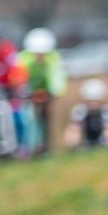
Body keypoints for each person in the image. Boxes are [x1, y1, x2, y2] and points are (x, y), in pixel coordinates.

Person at [16, 27, 65, 157]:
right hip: (28, 93)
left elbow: (57, 77)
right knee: (28, 119)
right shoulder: (23, 58)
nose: (40, 56)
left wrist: (54, 92)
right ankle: (28, 147)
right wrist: (24, 92)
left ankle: (46, 147)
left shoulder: (53, 58)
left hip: (46, 92)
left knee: (46, 118)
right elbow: (19, 77)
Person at [63, 77, 108, 150]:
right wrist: (73, 144)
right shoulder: (80, 111)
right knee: (74, 130)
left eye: (96, 101)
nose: (93, 104)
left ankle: (106, 147)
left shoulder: (107, 111)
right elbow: (73, 130)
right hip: (86, 143)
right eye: (90, 101)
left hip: (103, 142)